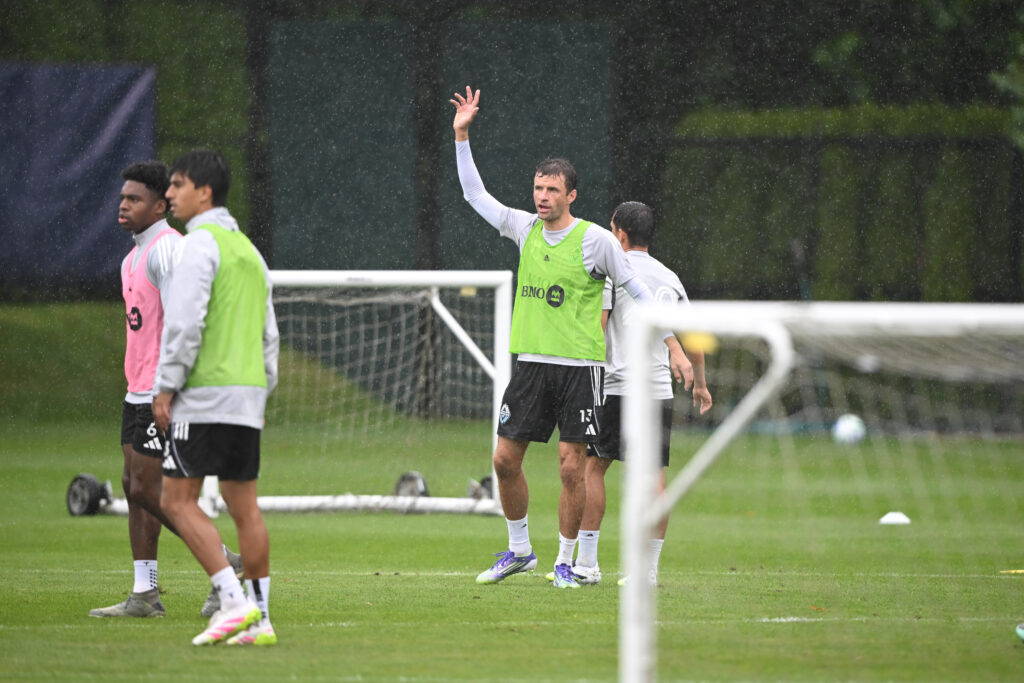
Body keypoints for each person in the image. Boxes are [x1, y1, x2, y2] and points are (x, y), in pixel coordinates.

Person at [450, 86, 691, 589]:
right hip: (531, 365)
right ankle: (519, 550)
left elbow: (639, 293)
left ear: (571, 195)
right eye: (538, 188)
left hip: (581, 369)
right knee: (503, 459)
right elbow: (475, 195)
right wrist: (462, 135)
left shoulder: (598, 241)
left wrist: (673, 345)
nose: (542, 197)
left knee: (570, 466)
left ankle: (566, 561)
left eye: (552, 190)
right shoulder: (522, 229)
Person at [152, 149, 280, 646]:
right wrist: (261, 391)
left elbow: (184, 323)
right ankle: (262, 620)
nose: (170, 194)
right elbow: (270, 335)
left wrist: (166, 385)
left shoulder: (198, 245)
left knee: (176, 499)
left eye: (178, 185)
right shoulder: (249, 250)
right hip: (246, 393)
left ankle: (232, 602)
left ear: (203, 192)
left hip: (205, 391)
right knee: (243, 505)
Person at [574, 201, 712, 587]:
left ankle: (586, 564)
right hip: (656, 389)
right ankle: (647, 572)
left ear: (618, 233)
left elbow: (598, 328)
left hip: (616, 384)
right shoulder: (670, 278)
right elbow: (692, 337)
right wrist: (700, 383)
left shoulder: (611, 274)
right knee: (654, 476)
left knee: (594, 467)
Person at [89, 161, 184, 618]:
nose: (123, 205)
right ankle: (144, 593)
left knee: (149, 489)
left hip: (161, 393)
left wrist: (170, 388)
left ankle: (225, 560)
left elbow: (185, 322)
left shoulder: (168, 250)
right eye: (123, 197)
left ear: (161, 206)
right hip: (137, 391)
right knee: (133, 487)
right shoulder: (133, 257)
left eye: (135, 199)